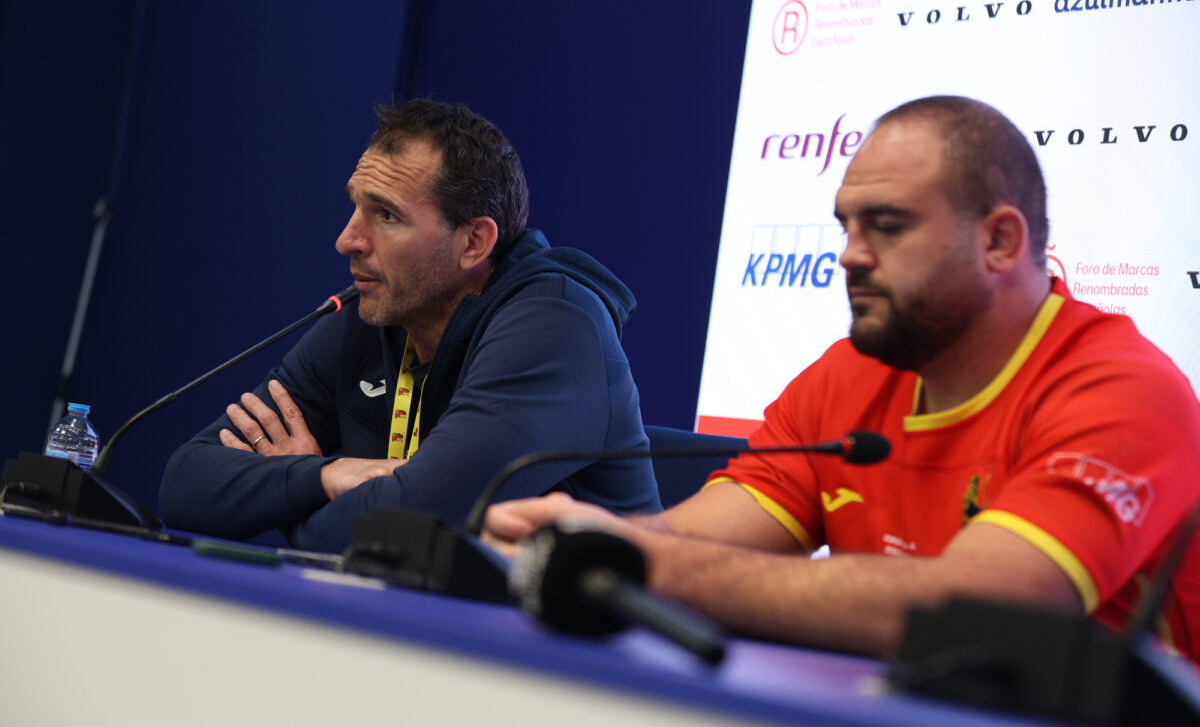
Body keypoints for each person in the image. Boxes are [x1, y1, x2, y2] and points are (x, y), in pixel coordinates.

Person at [483, 95, 1200, 662]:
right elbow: (697, 543)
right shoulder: (844, 378)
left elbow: (983, 608)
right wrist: (593, 537)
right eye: (846, 227)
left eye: (887, 226)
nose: (850, 256)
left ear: (1000, 241)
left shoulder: (1122, 390)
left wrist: (632, 559)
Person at [160, 99, 661, 552]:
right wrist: (326, 476)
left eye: (387, 216)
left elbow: (411, 528)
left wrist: (290, 502)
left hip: (568, 646)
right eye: (355, 205)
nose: (347, 240)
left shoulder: (555, 327)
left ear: (473, 243)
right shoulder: (374, 314)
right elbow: (185, 485)